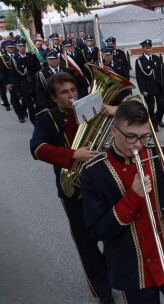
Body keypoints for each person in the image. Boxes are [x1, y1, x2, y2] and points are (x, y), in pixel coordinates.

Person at [81, 99, 164, 303]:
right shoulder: (94, 171)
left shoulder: (159, 154)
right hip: (131, 269)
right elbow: (96, 231)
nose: (138, 144)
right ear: (114, 132)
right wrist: (133, 197)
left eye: (144, 136)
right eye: (131, 137)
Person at [30, 73, 113, 304]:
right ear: (54, 98)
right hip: (73, 188)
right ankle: (103, 290)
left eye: (73, 90)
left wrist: (114, 110)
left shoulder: (92, 107)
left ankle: (112, 271)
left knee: (113, 230)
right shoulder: (47, 119)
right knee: (86, 242)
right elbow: (37, 149)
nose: (72, 96)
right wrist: (74, 154)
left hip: (102, 182)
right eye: (64, 93)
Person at [8, 38, 40, 124]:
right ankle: (33, 121)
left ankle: (39, 117)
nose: (22, 47)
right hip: (23, 85)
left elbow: (38, 70)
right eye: (20, 46)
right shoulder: (14, 59)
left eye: (23, 46)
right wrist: (17, 91)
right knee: (30, 106)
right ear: (17, 47)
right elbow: (14, 76)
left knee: (38, 103)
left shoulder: (32, 56)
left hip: (33, 83)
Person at [135, 39, 164, 130]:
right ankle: (153, 124)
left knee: (162, 105)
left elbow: (161, 73)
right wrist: (143, 90)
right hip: (148, 88)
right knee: (151, 108)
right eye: (147, 48)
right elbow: (139, 77)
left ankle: (158, 119)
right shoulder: (140, 61)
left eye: (150, 48)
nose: (149, 50)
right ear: (143, 49)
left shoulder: (156, 58)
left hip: (159, 86)